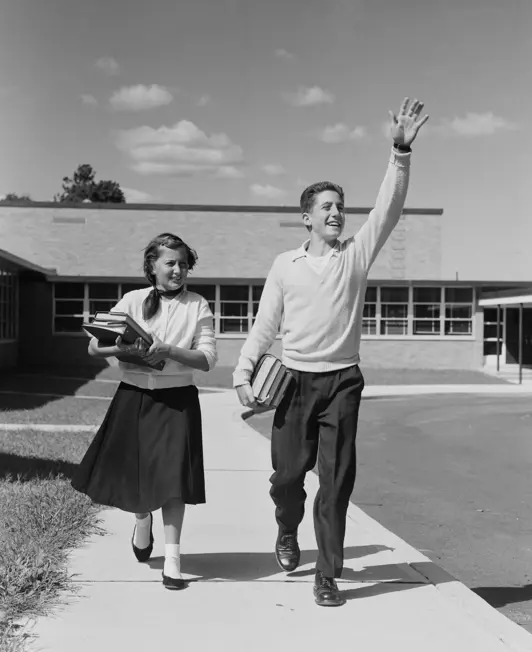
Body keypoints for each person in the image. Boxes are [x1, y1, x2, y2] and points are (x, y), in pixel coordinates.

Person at [233, 97, 429, 607]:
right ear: (307, 218)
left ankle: (327, 573)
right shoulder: (285, 265)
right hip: (293, 382)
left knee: (337, 482)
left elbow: (388, 207)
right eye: (327, 207)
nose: (337, 213)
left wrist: (400, 152)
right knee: (287, 477)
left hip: (343, 381)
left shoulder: (356, 256)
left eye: (340, 207)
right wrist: (243, 372)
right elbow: (264, 325)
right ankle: (285, 527)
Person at [72, 232, 217, 591]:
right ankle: (141, 519)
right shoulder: (132, 300)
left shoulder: (198, 305)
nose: (178, 270)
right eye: (171, 263)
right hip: (133, 398)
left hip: (177, 402)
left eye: (184, 264)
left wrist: (169, 351)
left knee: (172, 482)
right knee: (135, 477)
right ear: (152, 267)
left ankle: (172, 560)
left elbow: (208, 359)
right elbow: (95, 346)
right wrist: (120, 347)